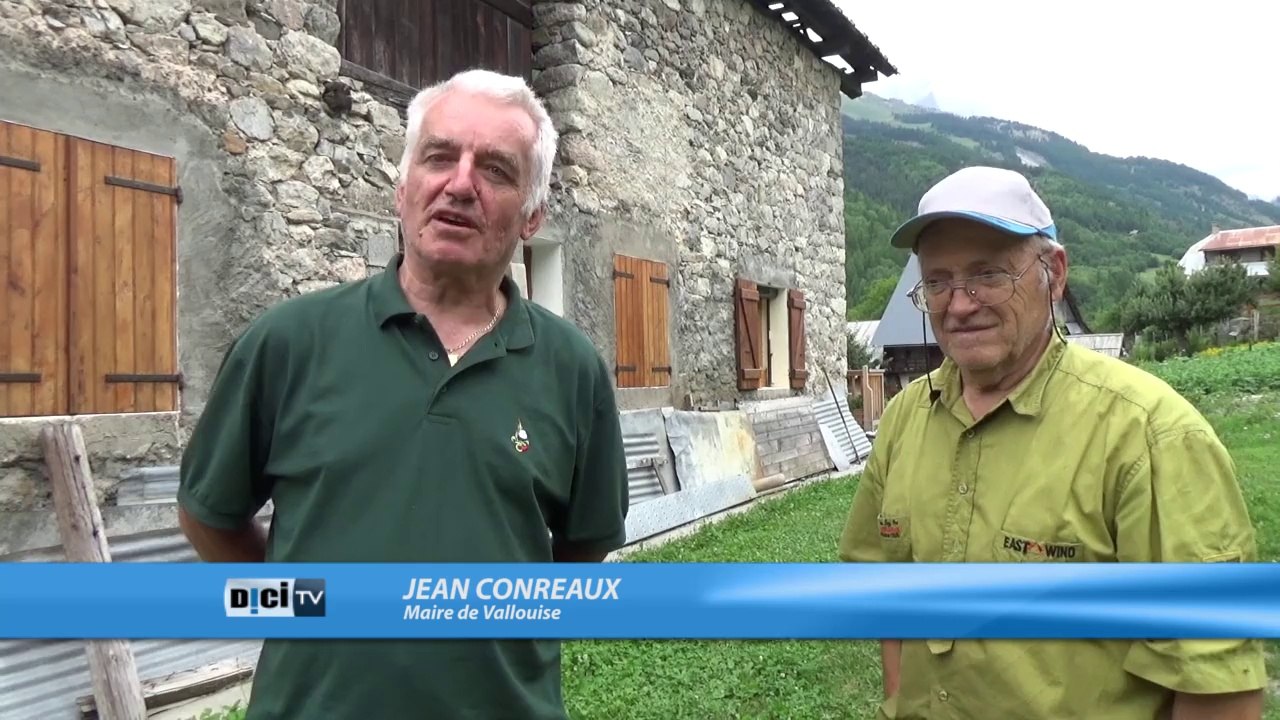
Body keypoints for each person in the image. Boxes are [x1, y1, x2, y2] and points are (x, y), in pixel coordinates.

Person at [177, 69, 630, 720]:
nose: (460, 184)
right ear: (402, 188)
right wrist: (306, 606)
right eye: (439, 157)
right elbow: (207, 515)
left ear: (533, 216)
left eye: (496, 170)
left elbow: (582, 555)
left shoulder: (574, 370)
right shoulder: (287, 343)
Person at [837, 166, 1266, 720]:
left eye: (988, 274)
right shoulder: (903, 419)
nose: (959, 303)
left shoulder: (1150, 437)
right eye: (938, 281)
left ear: (1054, 274)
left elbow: (1217, 686)